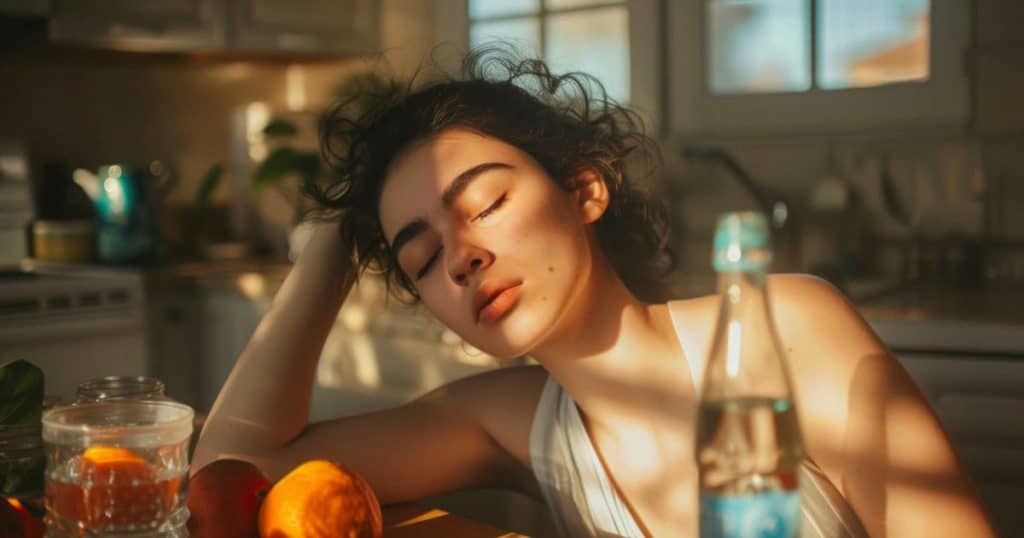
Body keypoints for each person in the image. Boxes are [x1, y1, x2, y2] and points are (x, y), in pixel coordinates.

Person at [193, 50, 995, 537]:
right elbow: (233, 473)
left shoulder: (783, 328)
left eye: (485, 205)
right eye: (424, 258)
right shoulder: (506, 419)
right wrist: (340, 236)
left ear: (585, 190)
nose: (463, 257)